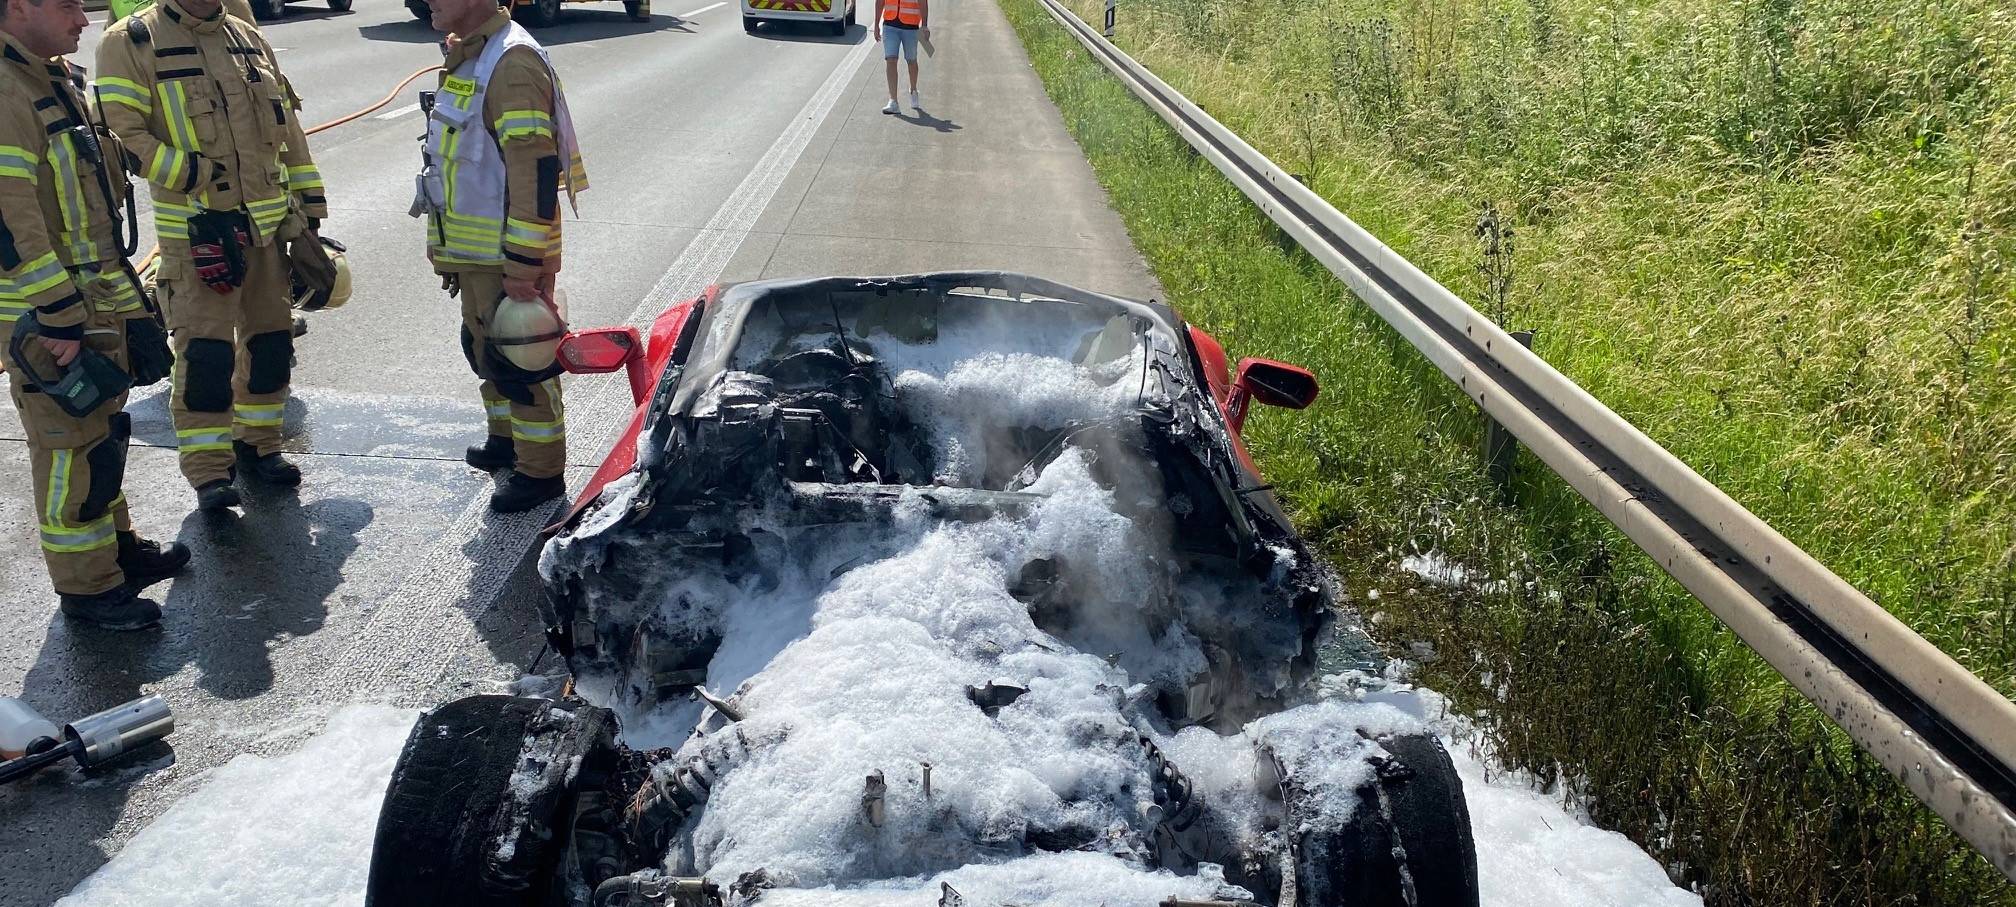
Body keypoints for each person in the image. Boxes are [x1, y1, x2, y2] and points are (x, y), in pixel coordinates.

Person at [0, 0, 190, 629]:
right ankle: (87, 588)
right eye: (66, 5)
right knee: (67, 451)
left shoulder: (48, 76)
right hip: (44, 318)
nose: (84, 19)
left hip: (87, 306)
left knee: (100, 438)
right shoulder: (6, 90)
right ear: (18, 6)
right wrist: (56, 315)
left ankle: (114, 553)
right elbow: (10, 220)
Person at [95, 0, 327, 512]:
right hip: (196, 233)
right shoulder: (129, 43)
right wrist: (194, 174)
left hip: (268, 230)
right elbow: (121, 134)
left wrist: (310, 209)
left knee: (271, 345)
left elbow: (287, 129)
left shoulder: (246, 36)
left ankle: (259, 444)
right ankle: (208, 471)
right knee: (205, 356)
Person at [414, 0, 587, 513]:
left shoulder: (511, 63)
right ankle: (506, 442)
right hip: (478, 254)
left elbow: (534, 172)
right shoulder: (474, 54)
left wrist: (523, 264)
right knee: (485, 347)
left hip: (505, 255)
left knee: (523, 360)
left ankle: (541, 473)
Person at [874, 0, 927, 115]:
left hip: (911, 26)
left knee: (911, 61)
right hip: (890, 25)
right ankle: (893, 101)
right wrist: (876, 24)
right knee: (891, 60)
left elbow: (923, 2)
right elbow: (880, 1)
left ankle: (913, 90)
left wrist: (924, 25)